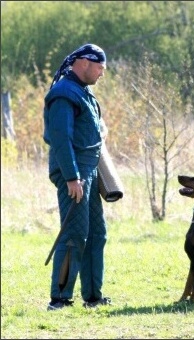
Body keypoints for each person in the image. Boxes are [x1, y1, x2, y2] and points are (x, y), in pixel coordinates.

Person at [43, 43, 112, 310]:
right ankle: (59, 298)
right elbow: (61, 140)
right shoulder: (63, 93)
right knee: (74, 234)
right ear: (84, 63)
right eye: (100, 68)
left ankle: (93, 296)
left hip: (89, 173)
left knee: (97, 233)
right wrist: (72, 177)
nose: (102, 73)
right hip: (74, 175)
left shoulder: (83, 92)